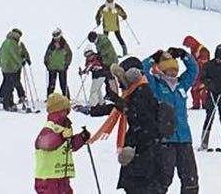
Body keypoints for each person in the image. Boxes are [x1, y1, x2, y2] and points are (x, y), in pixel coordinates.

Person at [86, 63, 165, 194]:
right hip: (142, 146)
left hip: (144, 147)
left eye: (121, 80)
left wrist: (121, 103)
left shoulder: (142, 92)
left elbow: (138, 115)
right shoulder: (135, 92)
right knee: (137, 183)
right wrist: (92, 111)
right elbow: (118, 109)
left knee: (140, 184)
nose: (120, 85)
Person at [142, 46, 200, 192]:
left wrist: (184, 55)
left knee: (190, 178)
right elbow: (143, 69)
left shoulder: (182, 85)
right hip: (165, 139)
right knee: (163, 178)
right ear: (163, 70)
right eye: (169, 69)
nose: (173, 72)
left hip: (184, 138)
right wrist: (153, 59)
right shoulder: (156, 86)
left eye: (175, 69)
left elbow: (194, 70)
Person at [33, 92, 91, 194]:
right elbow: (44, 143)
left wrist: (81, 138)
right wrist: (61, 137)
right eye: (65, 111)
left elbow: (69, 145)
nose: (67, 114)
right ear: (59, 111)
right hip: (48, 179)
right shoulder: (50, 127)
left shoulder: (64, 128)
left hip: (62, 178)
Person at [198, 44, 221, 151]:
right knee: (209, 116)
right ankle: (204, 142)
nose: (219, 60)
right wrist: (209, 84)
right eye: (218, 58)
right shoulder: (209, 65)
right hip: (211, 94)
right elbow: (202, 78)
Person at [0, 28, 31, 111]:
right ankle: (8, 105)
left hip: (5, 67)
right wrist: (21, 62)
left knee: (8, 84)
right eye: (18, 35)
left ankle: (8, 102)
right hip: (11, 67)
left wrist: (0, 62)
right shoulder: (12, 43)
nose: (19, 37)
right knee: (10, 86)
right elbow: (15, 55)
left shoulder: (5, 42)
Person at [183, 36, 210, 110]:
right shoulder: (193, 49)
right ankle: (196, 105)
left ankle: (205, 105)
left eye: (188, 45)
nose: (188, 47)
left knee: (201, 89)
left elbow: (204, 64)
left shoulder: (202, 50)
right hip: (196, 73)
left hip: (202, 73)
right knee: (194, 90)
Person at [45, 29, 73, 97]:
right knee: (51, 84)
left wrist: (67, 64)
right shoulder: (51, 45)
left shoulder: (65, 45)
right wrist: (46, 63)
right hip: (52, 67)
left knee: (63, 84)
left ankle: (66, 98)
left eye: (57, 36)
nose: (56, 38)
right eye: (55, 37)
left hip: (62, 67)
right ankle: (49, 98)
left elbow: (70, 54)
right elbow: (47, 54)